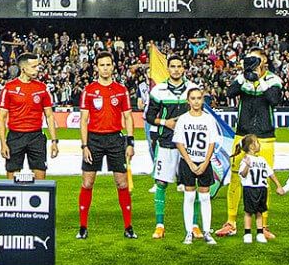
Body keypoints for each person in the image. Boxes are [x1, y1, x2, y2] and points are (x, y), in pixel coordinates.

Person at [218, 53, 284, 238]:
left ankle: (263, 225)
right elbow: (229, 93)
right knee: (235, 178)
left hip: (265, 136)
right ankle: (231, 222)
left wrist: (259, 80)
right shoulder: (243, 78)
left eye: (256, 60)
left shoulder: (273, 79)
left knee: (263, 180)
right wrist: (243, 75)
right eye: (250, 60)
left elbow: (274, 99)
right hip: (242, 134)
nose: (253, 63)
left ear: (264, 61)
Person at [78, 50, 137, 240]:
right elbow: (83, 120)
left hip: (115, 140)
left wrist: (130, 142)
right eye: (101, 65)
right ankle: (83, 227)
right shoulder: (89, 90)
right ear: (97, 67)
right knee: (88, 182)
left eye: (108, 64)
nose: (105, 68)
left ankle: (128, 227)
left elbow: (128, 117)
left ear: (113, 67)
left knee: (121, 183)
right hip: (93, 140)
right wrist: (84, 145)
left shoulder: (121, 90)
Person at [165, 86, 220, 245]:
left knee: (204, 197)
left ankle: (207, 232)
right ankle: (189, 232)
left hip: (204, 161)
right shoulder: (183, 119)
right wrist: (189, 162)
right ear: (188, 101)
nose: (196, 101)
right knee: (189, 196)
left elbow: (212, 142)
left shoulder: (208, 119)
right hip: (188, 161)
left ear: (203, 100)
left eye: (199, 98)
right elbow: (179, 142)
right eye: (193, 98)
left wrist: (205, 162)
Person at [144, 53, 191, 239]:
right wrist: (166, 122)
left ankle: (194, 225)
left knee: (190, 185)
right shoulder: (158, 91)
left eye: (180, 66)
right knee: (161, 183)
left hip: (189, 144)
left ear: (184, 68)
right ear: (168, 68)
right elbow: (149, 117)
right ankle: (160, 225)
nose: (176, 69)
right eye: (173, 66)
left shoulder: (192, 89)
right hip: (166, 142)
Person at [0, 53, 57, 183]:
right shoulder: (9, 88)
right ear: (23, 68)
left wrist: (54, 141)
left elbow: (49, 115)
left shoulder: (42, 88)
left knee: (41, 181)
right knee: (11, 182)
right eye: (34, 66)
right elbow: (2, 118)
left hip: (36, 137)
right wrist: (3, 143)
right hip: (15, 137)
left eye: (38, 66)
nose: (38, 69)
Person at [234, 134, 281, 244]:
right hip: (250, 189)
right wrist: (247, 166)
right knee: (248, 212)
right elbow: (243, 174)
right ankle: (247, 233)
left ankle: (260, 233)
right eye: (257, 142)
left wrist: (278, 185)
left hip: (262, 189)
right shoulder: (246, 159)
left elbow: (271, 173)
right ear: (251, 146)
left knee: (259, 212)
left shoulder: (262, 160)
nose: (259, 145)